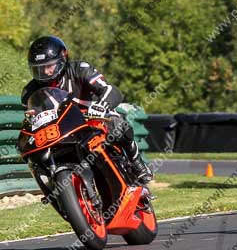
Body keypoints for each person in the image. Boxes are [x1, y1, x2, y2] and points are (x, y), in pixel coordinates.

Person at [21, 36, 153, 183]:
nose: (45, 72)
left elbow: (110, 90)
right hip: (62, 131)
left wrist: (102, 105)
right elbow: (30, 121)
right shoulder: (29, 92)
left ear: (62, 60)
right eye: (38, 68)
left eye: (49, 66)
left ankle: (136, 162)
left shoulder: (80, 69)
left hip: (93, 117)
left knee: (117, 124)